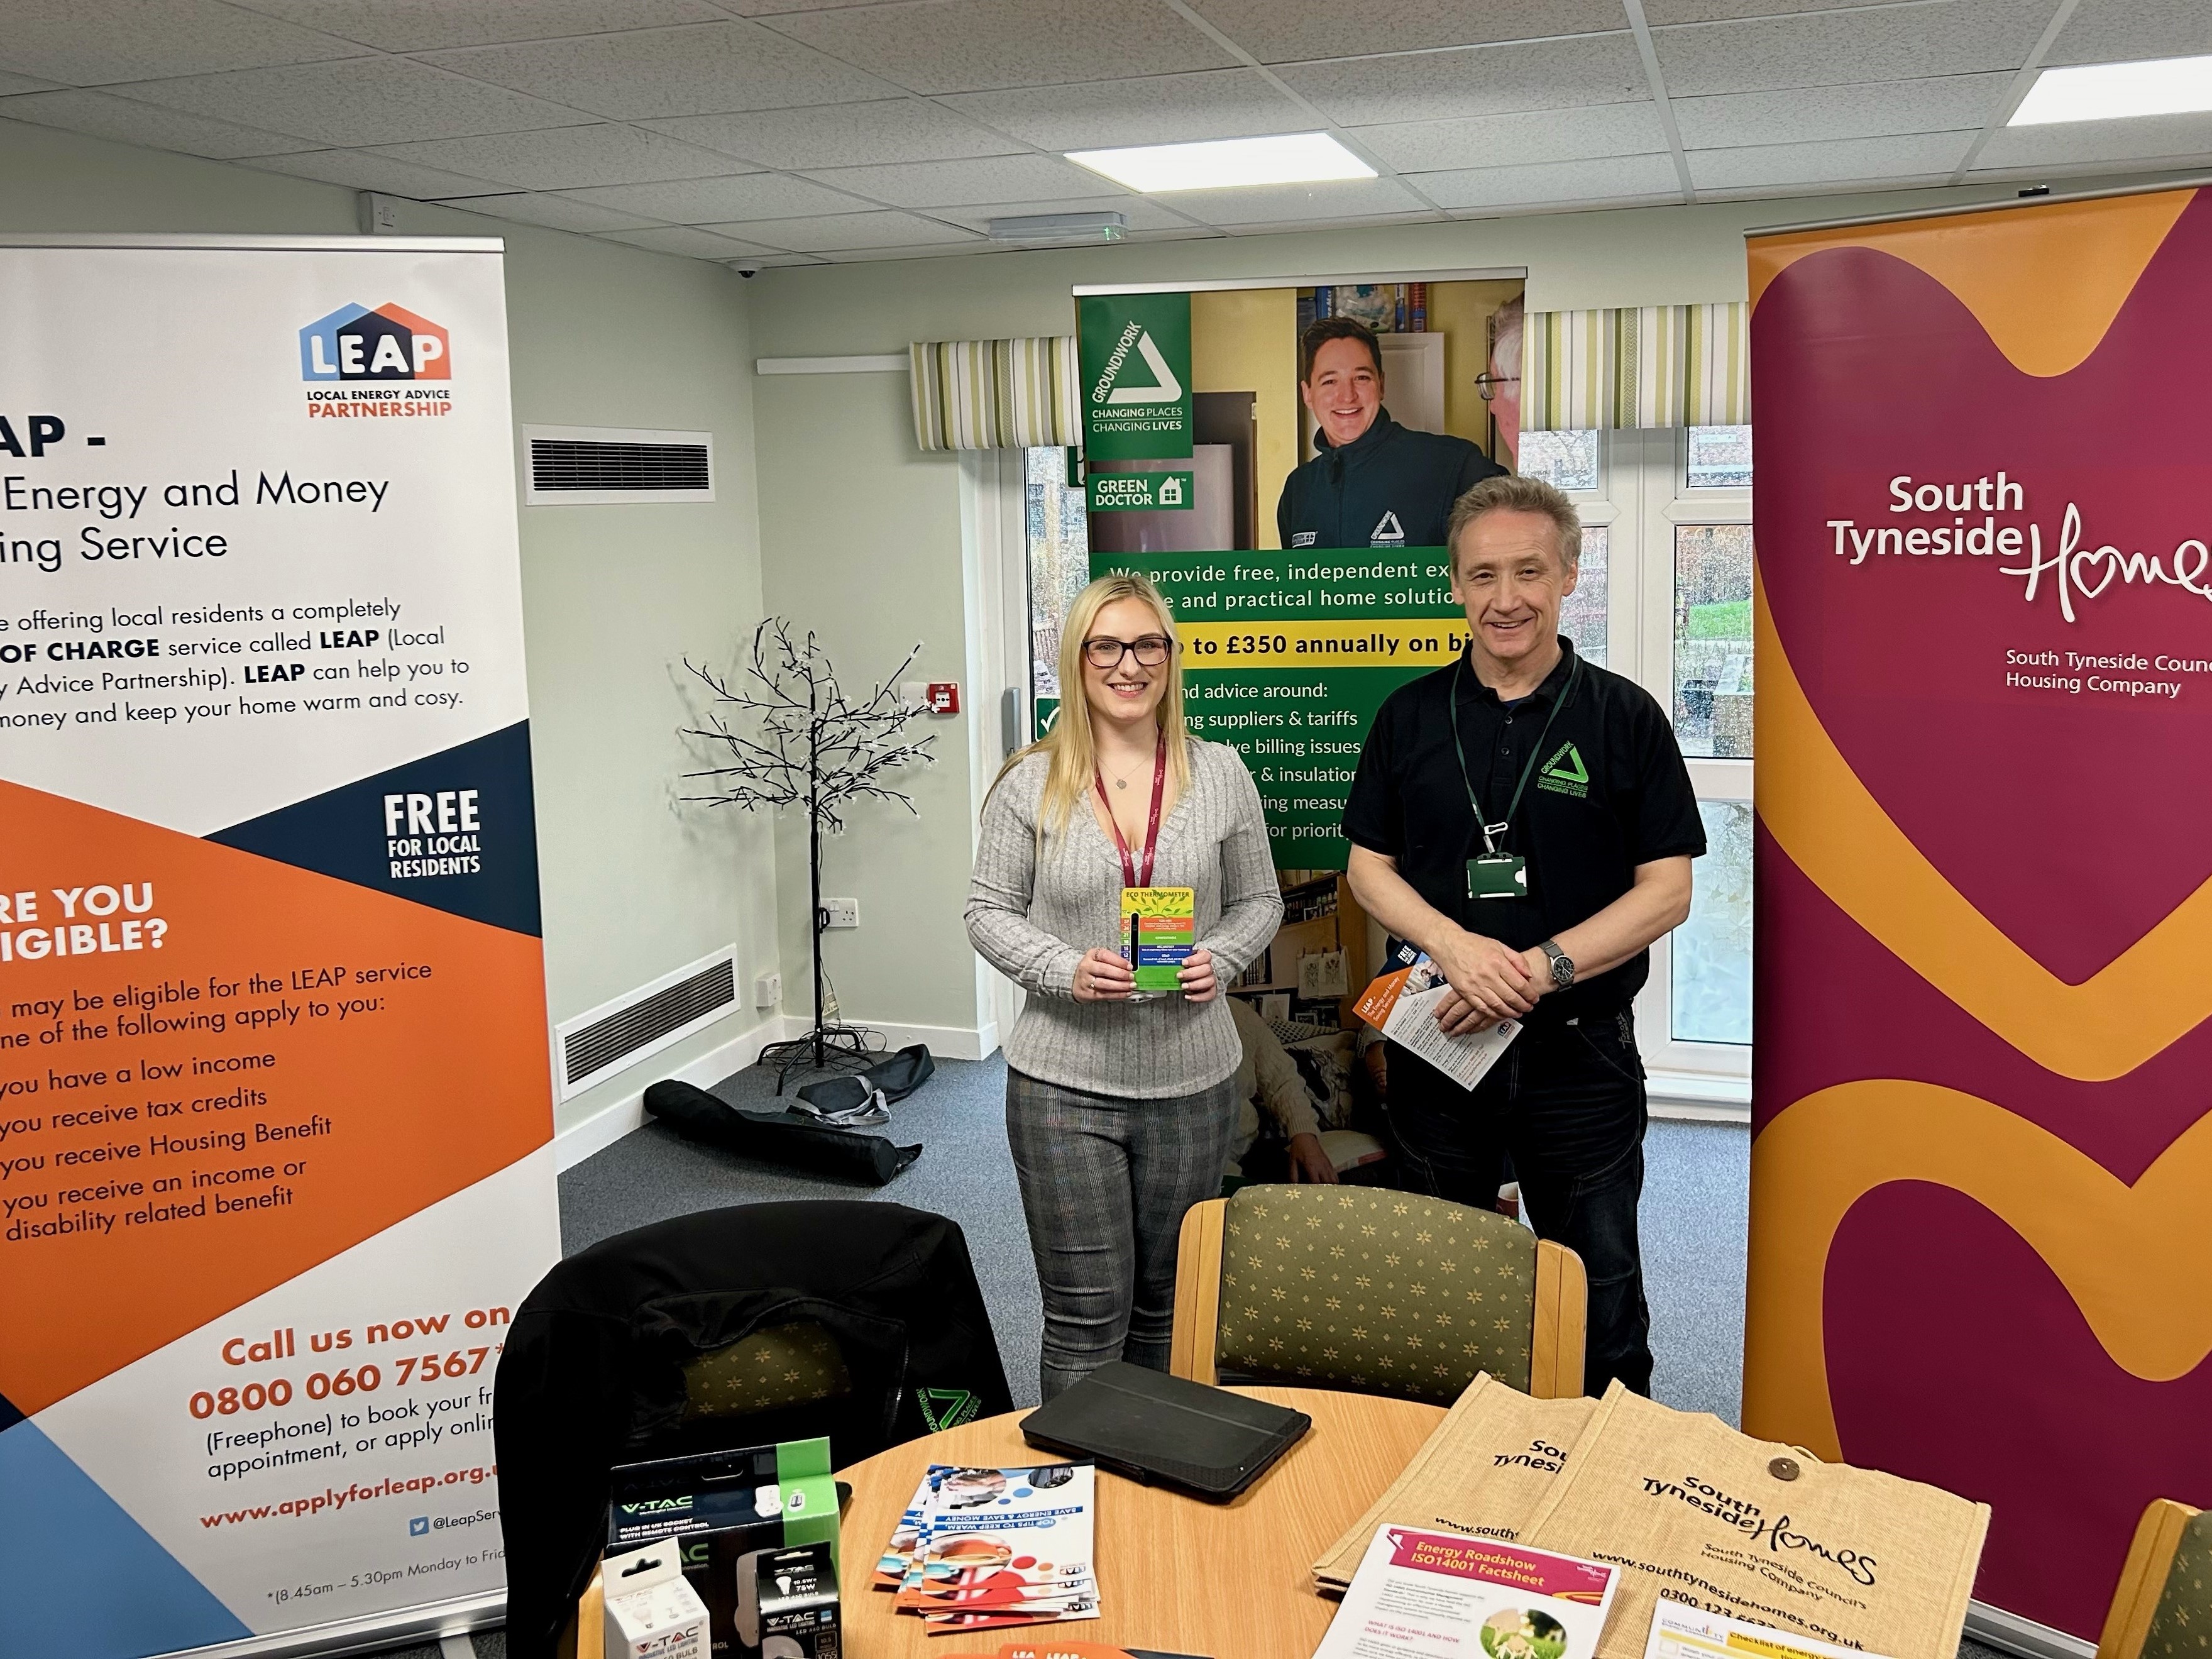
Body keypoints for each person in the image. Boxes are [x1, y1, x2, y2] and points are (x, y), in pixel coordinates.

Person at [1341, 475, 1705, 1396]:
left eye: (1528, 571)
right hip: (1437, 1042)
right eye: (1483, 575)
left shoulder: (1624, 719)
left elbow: (1666, 890)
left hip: (1578, 1056)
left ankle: (1602, 1483)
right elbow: (1366, 867)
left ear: (1568, 574)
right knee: (1442, 1287)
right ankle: (1447, 1483)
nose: (1506, 598)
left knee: (1597, 1291)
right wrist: (1453, 946)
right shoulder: (1407, 718)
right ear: (1454, 586)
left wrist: (1544, 966)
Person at [966, 573, 1283, 1401]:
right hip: (1062, 1086)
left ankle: (1155, 1479)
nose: (1127, 663)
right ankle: (1085, 1484)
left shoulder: (1220, 773)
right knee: (1084, 1315)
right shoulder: (1026, 782)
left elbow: (1258, 901)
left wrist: (1220, 954)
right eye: (1105, 645)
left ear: (1170, 659)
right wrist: (1061, 967)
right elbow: (985, 911)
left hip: (1191, 1080)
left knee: (1165, 1306)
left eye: (1147, 644)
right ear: (1075, 660)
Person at [1277, 315, 1505, 552]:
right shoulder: (1298, 489)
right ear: (1307, 394)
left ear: (1381, 384)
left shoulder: (1453, 465)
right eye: (1330, 381)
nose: (1347, 396)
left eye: (1361, 378)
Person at [1226, 995, 1339, 1184]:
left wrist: (1303, 1134)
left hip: (1246, 1150)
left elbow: (1282, 1081)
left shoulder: (1238, 1013)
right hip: (1183, 1163)